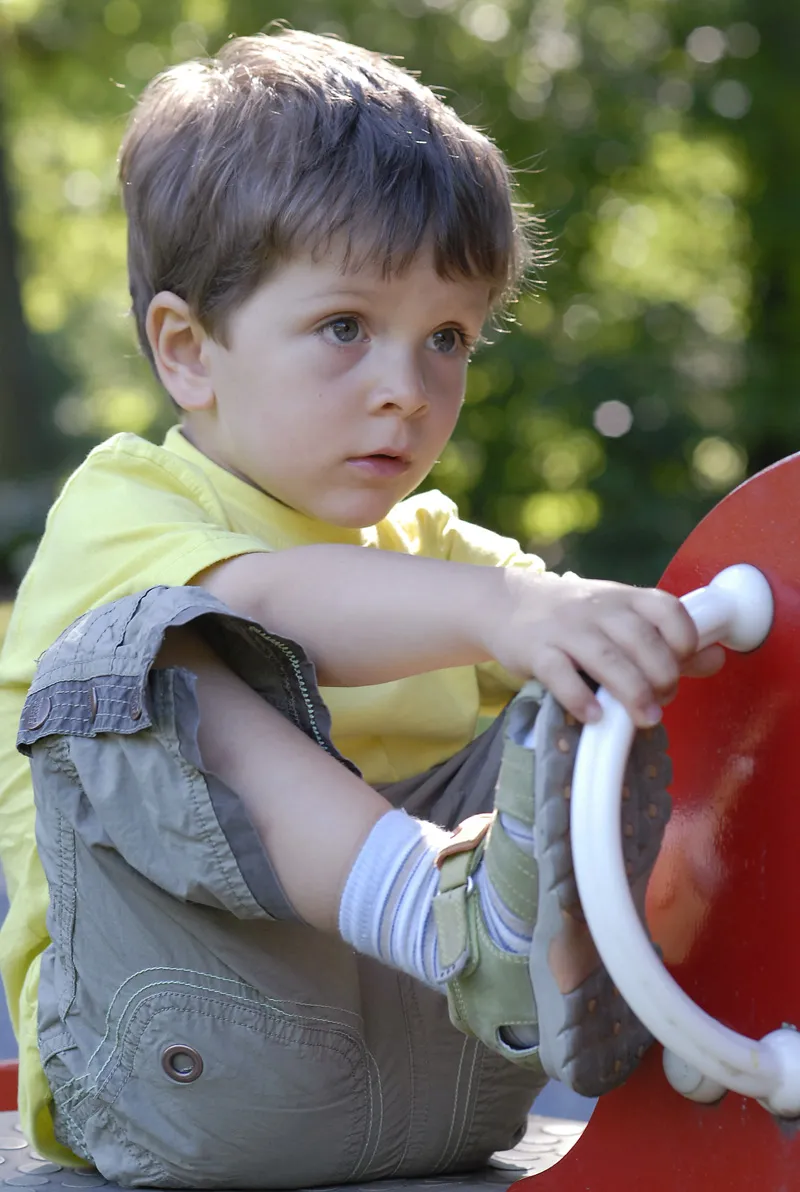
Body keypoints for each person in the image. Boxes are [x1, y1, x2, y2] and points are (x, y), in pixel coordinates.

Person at [0, 28, 723, 1188]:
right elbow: (284, 601)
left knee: (592, 686)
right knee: (141, 654)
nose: (407, 386)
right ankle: (451, 916)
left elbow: (560, 621)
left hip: (452, 1070)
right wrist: (505, 612)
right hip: (177, 1065)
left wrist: (637, 634)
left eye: (447, 337)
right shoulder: (128, 506)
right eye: (345, 326)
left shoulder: (427, 547)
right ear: (188, 350)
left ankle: (667, 985)